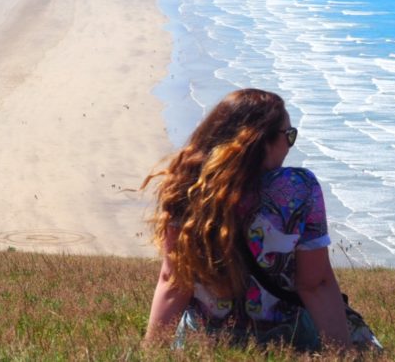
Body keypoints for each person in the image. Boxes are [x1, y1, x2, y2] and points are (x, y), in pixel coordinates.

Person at [142, 88, 352, 351]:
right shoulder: (300, 189)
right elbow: (315, 284)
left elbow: (173, 283)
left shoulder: (187, 184)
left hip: (203, 344)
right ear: (261, 141)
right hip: (284, 340)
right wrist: (343, 354)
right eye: (288, 135)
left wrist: (152, 353)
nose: (289, 144)